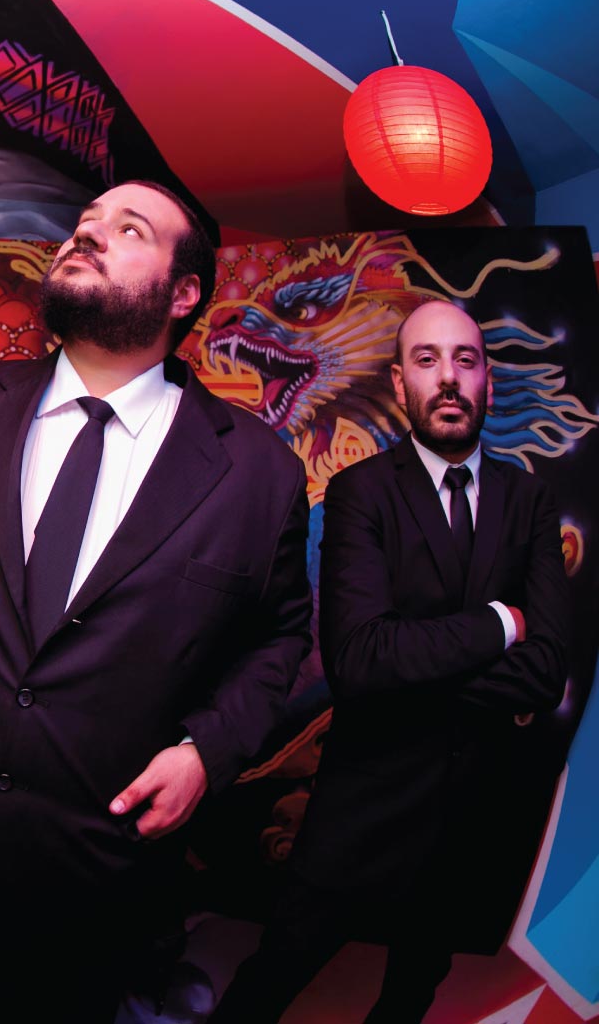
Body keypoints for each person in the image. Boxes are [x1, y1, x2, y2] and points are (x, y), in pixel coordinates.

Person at [0, 180, 314, 1022]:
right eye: (84, 223)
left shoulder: (259, 472)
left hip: (101, 874)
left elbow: (277, 638)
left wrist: (207, 750)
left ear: (184, 293)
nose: (87, 236)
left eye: (129, 229)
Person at [211, 300, 570, 1023]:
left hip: (473, 815)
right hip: (363, 810)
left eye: (465, 360)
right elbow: (359, 662)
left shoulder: (530, 501)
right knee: (269, 980)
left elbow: (546, 672)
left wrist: (413, 660)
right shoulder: (361, 492)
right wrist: (502, 623)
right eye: (427, 360)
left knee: (410, 996)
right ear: (401, 383)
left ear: (488, 380)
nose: (449, 378)